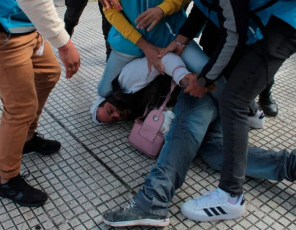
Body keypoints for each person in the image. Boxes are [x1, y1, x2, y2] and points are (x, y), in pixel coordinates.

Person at [101, 56, 296, 228]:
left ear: (107, 99)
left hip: (201, 83)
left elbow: (167, 55)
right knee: (213, 151)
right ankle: (291, 164)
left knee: (184, 129)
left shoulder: (126, 79)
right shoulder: (127, 106)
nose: (117, 114)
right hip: (220, 92)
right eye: (115, 120)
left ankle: (153, 200)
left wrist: (185, 80)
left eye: (111, 110)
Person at [157, 0, 296, 222]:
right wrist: (181, 39)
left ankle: (230, 196)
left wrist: (204, 80)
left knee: (234, 101)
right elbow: (203, 7)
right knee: (231, 105)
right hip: (273, 19)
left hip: (283, 22)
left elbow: (235, 35)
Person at [0, 0, 80, 207]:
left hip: (25, 23)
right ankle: (6, 180)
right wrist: (65, 44)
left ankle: (27, 139)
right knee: (20, 107)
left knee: (48, 74)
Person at [97, 0, 209, 98]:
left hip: (171, 37)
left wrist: (162, 9)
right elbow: (110, 10)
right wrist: (146, 47)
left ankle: (168, 66)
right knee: (104, 91)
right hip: (129, 44)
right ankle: (165, 64)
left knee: (210, 73)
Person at [200, 21, 278, 117]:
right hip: (219, 24)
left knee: (261, 57)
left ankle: (265, 94)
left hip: (259, 21)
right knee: (213, 50)